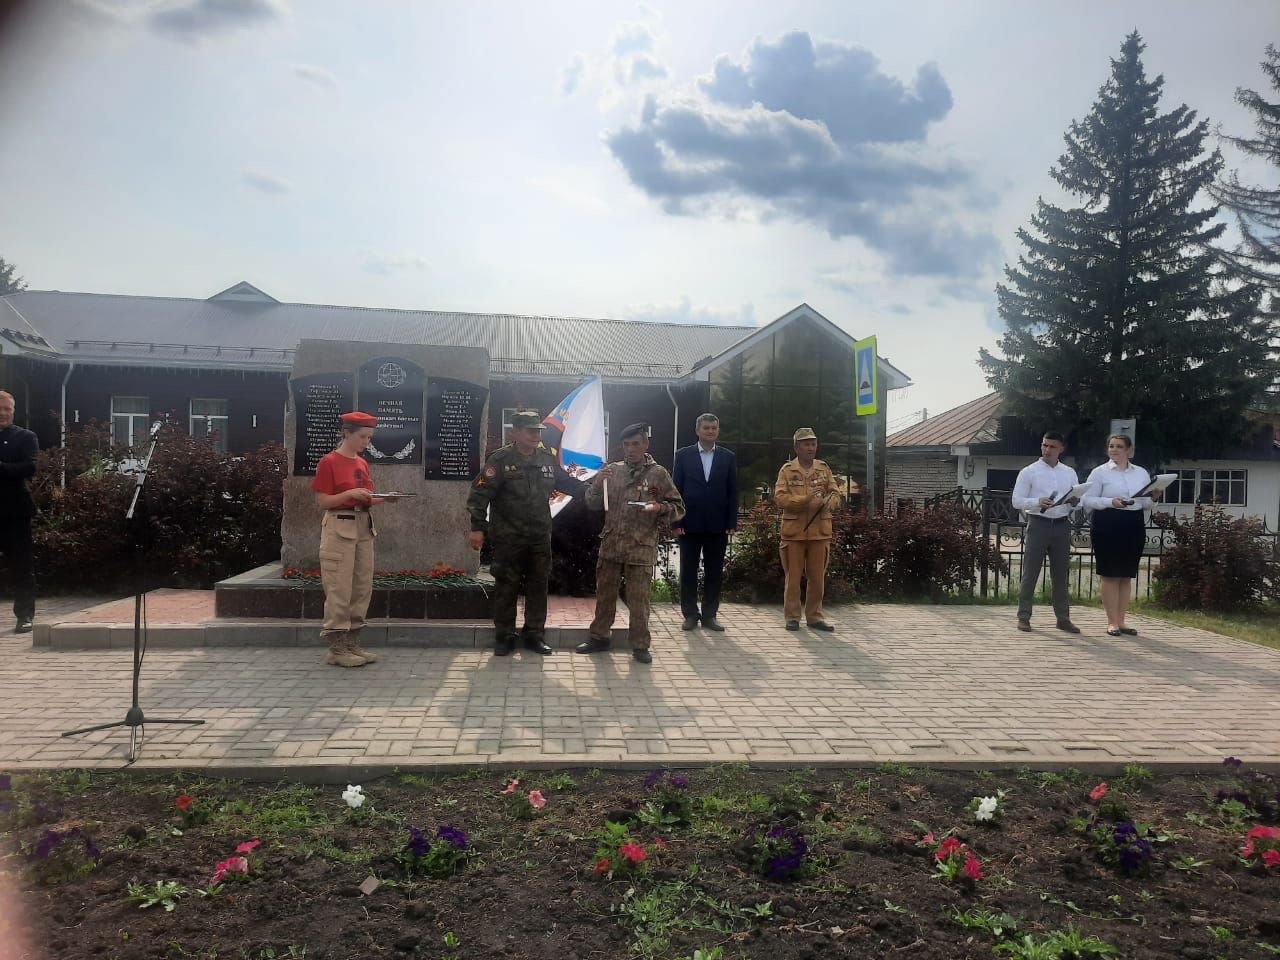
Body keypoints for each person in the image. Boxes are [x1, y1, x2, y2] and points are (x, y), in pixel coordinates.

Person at [467, 410, 586, 656]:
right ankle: (505, 636)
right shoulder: (500, 459)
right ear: (515, 432)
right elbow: (479, 495)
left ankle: (534, 634)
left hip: (539, 537)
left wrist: (595, 490)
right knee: (506, 587)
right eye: (530, 430)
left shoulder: (546, 458)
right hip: (508, 537)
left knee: (538, 586)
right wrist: (477, 527)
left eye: (538, 431)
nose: (535, 435)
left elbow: (567, 483)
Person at [576, 423, 685, 663]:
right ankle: (599, 637)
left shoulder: (658, 474)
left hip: (640, 546)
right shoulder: (612, 471)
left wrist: (660, 507)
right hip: (612, 542)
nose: (631, 449)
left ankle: (639, 645)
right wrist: (597, 482)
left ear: (646, 444)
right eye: (626, 445)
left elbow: (678, 508)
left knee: (639, 599)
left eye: (636, 444)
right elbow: (592, 504)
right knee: (604, 595)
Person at [312, 411, 386, 667]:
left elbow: (365, 498)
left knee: (361, 587)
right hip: (339, 527)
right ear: (347, 433)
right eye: (363, 436)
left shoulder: (362, 463)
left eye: (369, 437)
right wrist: (350, 493)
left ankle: (353, 643)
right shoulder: (329, 462)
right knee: (339, 588)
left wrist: (385, 498)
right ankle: (337, 648)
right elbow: (323, 501)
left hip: (363, 527)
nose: (366, 442)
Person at [1083, 434, 1160, 637]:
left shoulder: (1141, 473)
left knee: (1126, 575)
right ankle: (1112, 622)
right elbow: (1087, 500)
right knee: (1110, 573)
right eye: (1111, 446)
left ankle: (1122, 620)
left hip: (1132, 523)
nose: (1114, 450)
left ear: (1129, 450)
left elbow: (1144, 504)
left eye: (1119, 446)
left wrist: (1153, 499)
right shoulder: (1099, 473)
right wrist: (1110, 502)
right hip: (1107, 522)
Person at [1012, 431, 1085, 634]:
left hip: (1062, 524)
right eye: (1044, 445)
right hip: (1039, 523)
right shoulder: (1029, 471)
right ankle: (1024, 616)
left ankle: (1063, 618)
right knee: (1031, 572)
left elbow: (1078, 502)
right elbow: (1016, 500)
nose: (1047, 450)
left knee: (1061, 574)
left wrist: (1075, 502)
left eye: (1052, 446)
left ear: (1061, 449)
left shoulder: (1069, 472)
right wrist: (1037, 501)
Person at [671, 413, 738, 632]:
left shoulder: (728, 457)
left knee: (714, 572)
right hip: (689, 523)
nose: (710, 431)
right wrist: (676, 521)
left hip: (718, 525)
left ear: (718, 430)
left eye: (714, 428)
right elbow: (676, 490)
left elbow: (732, 491)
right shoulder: (683, 455)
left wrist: (731, 521)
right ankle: (690, 614)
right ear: (698, 430)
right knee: (688, 571)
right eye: (706, 428)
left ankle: (710, 615)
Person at [774, 427, 843, 632]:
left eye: (813, 443)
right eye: (806, 444)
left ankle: (814, 617)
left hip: (820, 532)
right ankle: (792, 617)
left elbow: (836, 494)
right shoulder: (787, 470)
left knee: (817, 578)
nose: (810, 448)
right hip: (794, 532)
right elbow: (780, 498)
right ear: (797, 447)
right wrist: (806, 499)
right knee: (793, 578)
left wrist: (828, 503)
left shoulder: (823, 468)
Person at [0, 391, 37, 633]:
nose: (2, 414)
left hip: (16, 512)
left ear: (13, 411)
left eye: (7, 409)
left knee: (21, 567)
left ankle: (24, 616)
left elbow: (30, 467)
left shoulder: (25, 437)